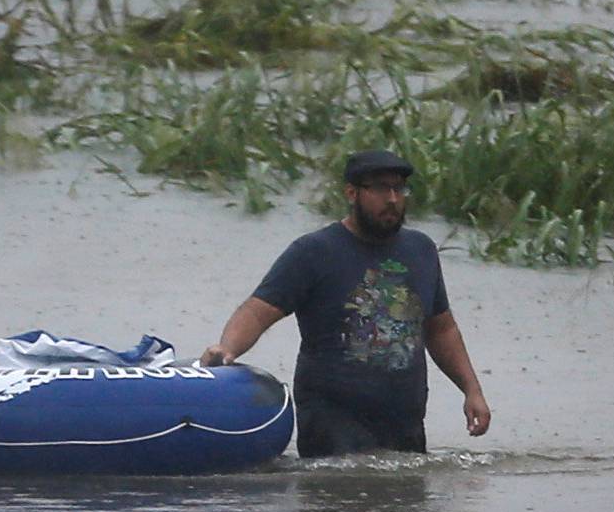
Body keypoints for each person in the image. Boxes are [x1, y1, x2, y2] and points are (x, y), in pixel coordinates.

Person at [200, 149, 491, 457]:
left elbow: (441, 329)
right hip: (333, 420)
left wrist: (472, 390)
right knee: (338, 498)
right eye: (379, 188)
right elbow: (258, 311)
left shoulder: (421, 250)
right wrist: (228, 348)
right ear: (352, 193)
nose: (392, 199)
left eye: (398, 188)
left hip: (404, 418)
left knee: (406, 501)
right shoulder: (314, 251)